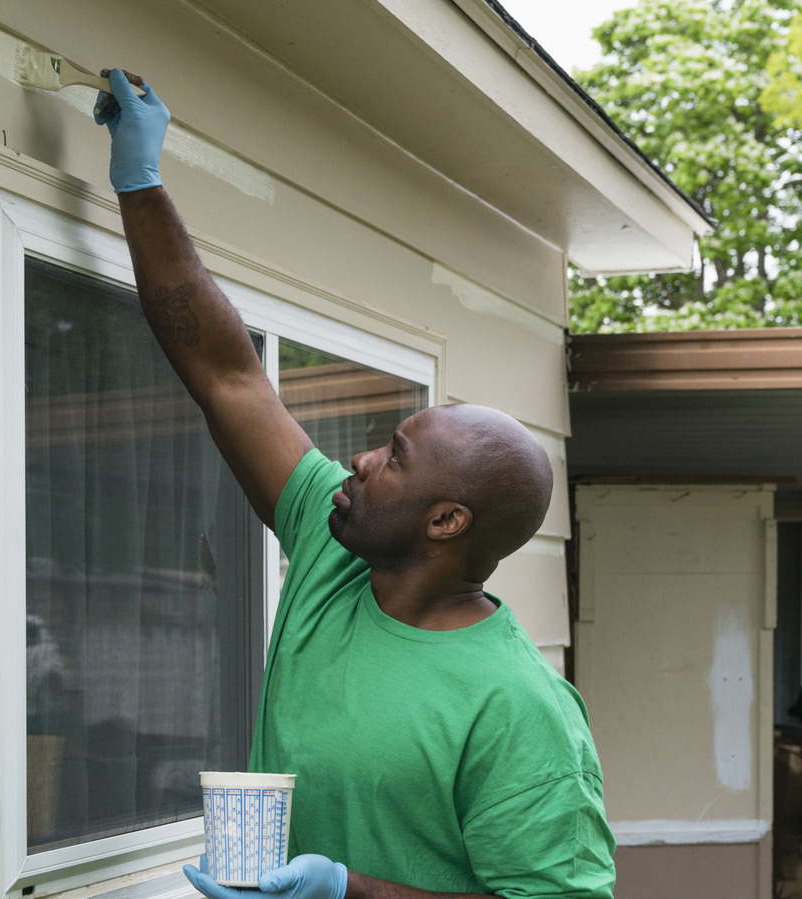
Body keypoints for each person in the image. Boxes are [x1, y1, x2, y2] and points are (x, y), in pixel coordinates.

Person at [92, 70, 615, 899]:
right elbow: (230, 376)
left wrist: (348, 890)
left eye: (396, 456)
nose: (362, 461)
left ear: (445, 520)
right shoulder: (335, 554)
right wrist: (141, 184)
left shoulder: (516, 707)